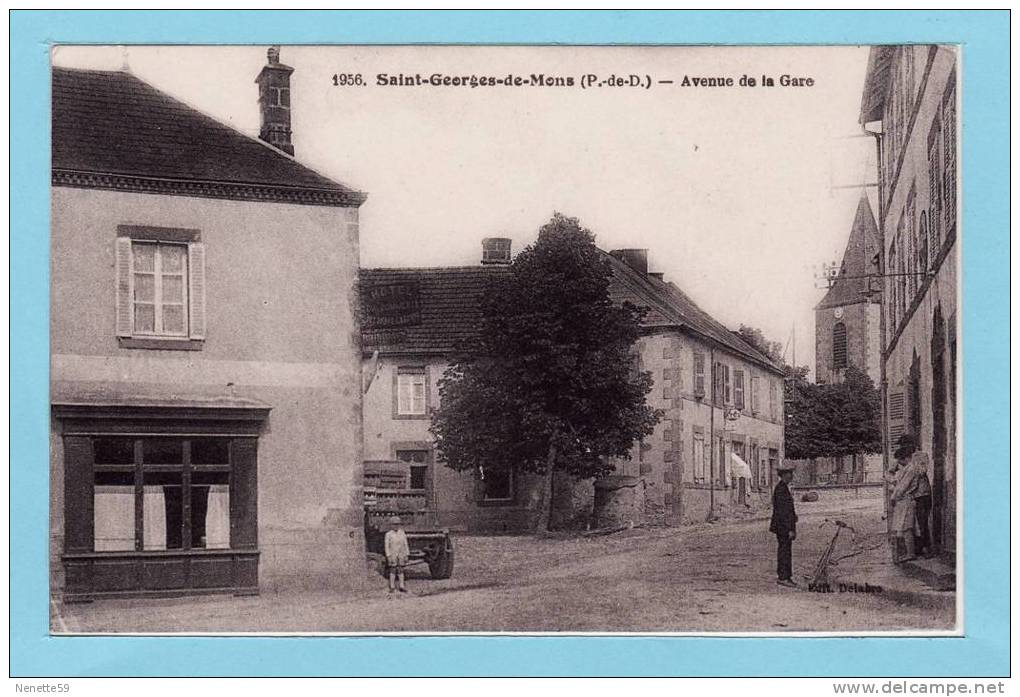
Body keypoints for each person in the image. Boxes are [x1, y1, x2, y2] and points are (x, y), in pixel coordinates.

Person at [888, 437, 919, 563]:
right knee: (903, 527)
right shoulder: (907, 469)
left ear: (906, 458)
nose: (900, 463)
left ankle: (910, 553)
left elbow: (902, 487)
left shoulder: (911, 469)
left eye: (901, 460)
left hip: (906, 500)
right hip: (903, 500)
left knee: (907, 527)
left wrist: (893, 497)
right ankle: (907, 552)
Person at [769, 463, 799, 587]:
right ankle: (783, 577)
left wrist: (794, 517)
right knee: (784, 551)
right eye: (789, 473)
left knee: (785, 550)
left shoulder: (783, 488)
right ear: (784, 475)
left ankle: (785, 576)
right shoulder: (781, 489)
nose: (791, 475)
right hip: (783, 527)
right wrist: (790, 529)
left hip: (783, 526)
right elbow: (783, 513)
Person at [910, 451, 933, 558]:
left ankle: (925, 548)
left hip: (920, 498)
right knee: (922, 524)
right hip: (926, 498)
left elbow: (913, 486)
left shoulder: (918, 472)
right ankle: (923, 547)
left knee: (921, 524)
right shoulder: (923, 472)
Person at [384, 515, 410, 594]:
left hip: (401, 553)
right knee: (393, 569)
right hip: (393, 554)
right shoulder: (388, 534)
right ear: (391, 525)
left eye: (398, 524)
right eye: (394, 524)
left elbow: (405, 544)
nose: (396, 526)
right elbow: (386, 546)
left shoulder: (402, 533)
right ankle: (392, 586)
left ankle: (401, 586)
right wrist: (388, 556)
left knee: (401, 569)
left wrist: (406, 554)